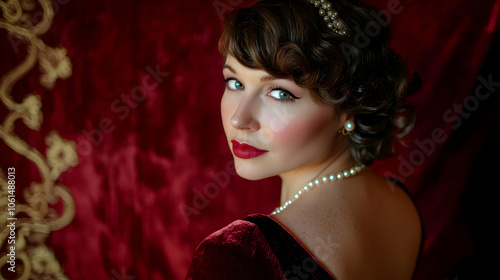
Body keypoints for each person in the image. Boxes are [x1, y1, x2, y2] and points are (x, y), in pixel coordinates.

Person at [186, 0, 422, 279]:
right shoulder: (399, 202)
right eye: (235, 83)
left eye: (280, 93)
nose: (239, 119)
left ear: (347, 106)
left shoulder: (239, 254)